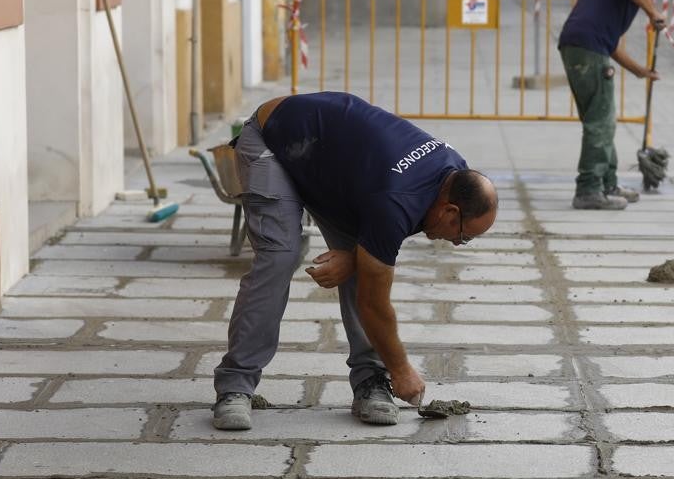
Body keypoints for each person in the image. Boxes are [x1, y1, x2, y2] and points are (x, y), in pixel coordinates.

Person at [211, 92, 498, 430]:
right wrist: (402, 369)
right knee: (280, 257)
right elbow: (374, 304)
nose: (457, 243)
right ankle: (235, 385)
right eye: (463, 236)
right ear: (450, 211)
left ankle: (370, 382)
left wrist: (356, 258)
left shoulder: (455, 177)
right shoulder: (397, 197)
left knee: (366, 268)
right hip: (274, 140)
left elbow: (386, 236)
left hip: (334, 172)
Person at [558, 0, 674, 209]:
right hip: (586, 49)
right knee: (600, 122)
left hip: (584, 47)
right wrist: (653, 12)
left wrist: (639, 70)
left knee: (603, 119)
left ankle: (607, 184)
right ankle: (588, 190)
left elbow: (611, 45)